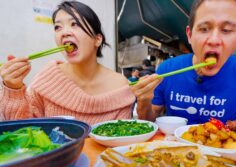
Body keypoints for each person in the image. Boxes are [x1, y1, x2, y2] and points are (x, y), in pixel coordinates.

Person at [131, 0, 236, 161]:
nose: (214, 40)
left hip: (224, 160)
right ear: (190, 35)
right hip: (172, 156)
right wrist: (143, 100)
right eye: (204, 29)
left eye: (226, 30)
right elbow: (149, 121)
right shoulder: (168, 69)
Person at [0, 1, 135, 125]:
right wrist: (13, 89)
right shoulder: (47, 79)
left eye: (74, 24)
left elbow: (122, 140)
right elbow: (22, 130)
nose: (64, 32)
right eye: (58, 27)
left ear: (97, 39)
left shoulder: (120, 86)